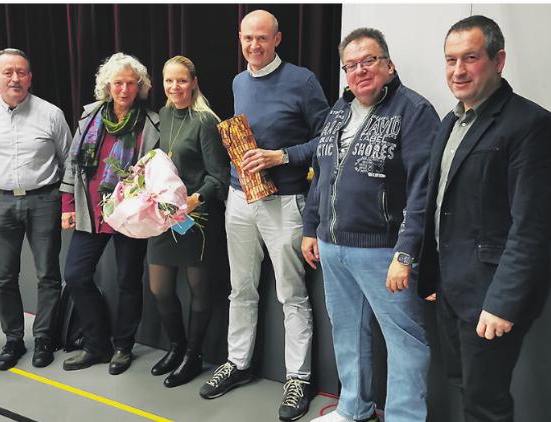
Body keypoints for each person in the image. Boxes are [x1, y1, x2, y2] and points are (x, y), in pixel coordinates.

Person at [417, 15, 551, 422]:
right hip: (452, 290)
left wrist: (502, 303)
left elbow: (531, 229)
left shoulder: (535, 127)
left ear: (499, 60)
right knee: (466, 387)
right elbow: (439, 205)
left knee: (486, 403)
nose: (458, 70)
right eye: (450, 60)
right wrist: (434, 276)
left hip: (491, 297)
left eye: (471, 58)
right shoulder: (451, 122)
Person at [303, 28, 440, 422]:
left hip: (383, 251)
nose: (360, 71)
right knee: (347, 334)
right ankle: (354, 409)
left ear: (389, 64)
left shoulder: (413, 111)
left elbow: (422, 190)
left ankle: (404, 417)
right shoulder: (339, 110)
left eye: (369, 61)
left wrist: (405, 252)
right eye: (351, 65)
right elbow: (322, 171)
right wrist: (311, 227)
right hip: (332, 246)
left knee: (405, 342)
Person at [199, 10, 330, 422]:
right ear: (240, 39)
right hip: (240, 200)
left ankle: (298, 378)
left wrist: (282, 156)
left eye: (262, 38)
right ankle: (238, 363)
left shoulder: (303, 80)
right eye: (247, 38)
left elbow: (328, 138)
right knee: (241, 288)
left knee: (291, 294)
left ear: (278, 39)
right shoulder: (239, 82)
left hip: (286, 202)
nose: (254, 46)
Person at [59, 53, 159, 374]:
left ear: (140, 87)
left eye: (131, 83)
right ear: (108, 86)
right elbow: (73, 165)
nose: (125, 89)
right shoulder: (90, 118)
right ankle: (96, 344)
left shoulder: (151, 123)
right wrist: (67, 206)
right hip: (91, 212)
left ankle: (123, 348)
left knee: (129, 281)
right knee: (75, 275)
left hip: (130, 215)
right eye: (118, 82)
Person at [0, 48, 71, 371]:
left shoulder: (51, 114)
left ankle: (44, 338)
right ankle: (13, 339)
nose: (15, 78)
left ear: (30, 77)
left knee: (48, 275)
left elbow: (67, 159)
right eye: (8, 72)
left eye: (22, 72)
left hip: (44, 200)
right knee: (3, 277)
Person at [147, 55, 230, 388]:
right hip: (166, 217)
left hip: (196, 218)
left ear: (194, 82)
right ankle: (177, 346)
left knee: (199, 290)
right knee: (160, 289)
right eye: (169, 81)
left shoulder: (206, 121)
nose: (174, 87)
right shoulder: (162, 115)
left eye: (181, 80)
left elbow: (219, 176)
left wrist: (191, 201)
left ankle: (193, 356)